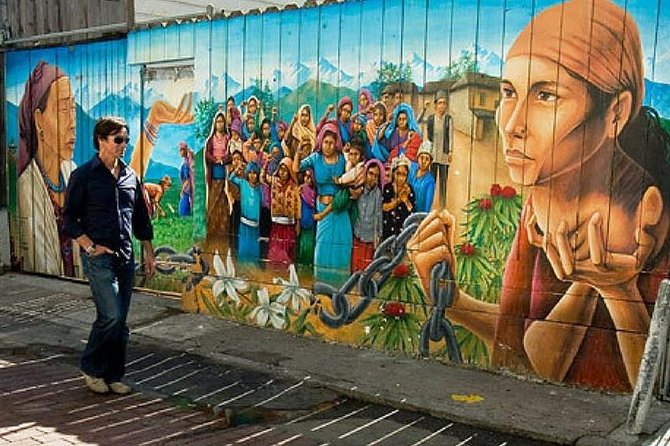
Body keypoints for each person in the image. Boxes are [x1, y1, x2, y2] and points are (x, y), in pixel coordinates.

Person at [408, 0, 670, 391]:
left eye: (546, 96)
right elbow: (521, 347)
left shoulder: (644, 217)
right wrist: (455, 301)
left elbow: (655, 397)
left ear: (616, 112)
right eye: (509, 92)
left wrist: (619, 294)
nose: (512, 125)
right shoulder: (542, 204)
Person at [63, 116, 156, 395]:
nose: (124, 144)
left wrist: (149, 252)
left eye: (125, 139)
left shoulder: (130, 176)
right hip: (98, 258)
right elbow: (69, 219)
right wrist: (90, 246)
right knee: (111, 315)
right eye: (118, 139)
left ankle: (113, 374)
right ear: (101, 140)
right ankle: (91, 367)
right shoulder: (83, 176)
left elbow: (140, 217)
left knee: (120, 321)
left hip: (125, 257)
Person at [17, 61, 80, 277]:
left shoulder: (71, 171)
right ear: (38, 120)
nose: (72, 123)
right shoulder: (28, 188)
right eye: (63, 109)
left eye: (73, 108)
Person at [294, 122, 351, 283]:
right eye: (326, 142)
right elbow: (296, 168)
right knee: (322, 245)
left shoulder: (342, 159)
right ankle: (321, 281)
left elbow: (350, 179)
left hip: (339, 209)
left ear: (336, 143)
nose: (328, 146)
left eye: (332, 143)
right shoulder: (316, 158)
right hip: (322, 209)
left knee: (341, 244)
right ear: (321, 141)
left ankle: (340, 282)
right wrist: (298, 153)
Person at [417, 90, 452, 207]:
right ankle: (429, 204)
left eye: (444, 103)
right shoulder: (431, 119)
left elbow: (450, 136)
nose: (442, 105)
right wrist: (424, 108)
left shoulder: (448, 119)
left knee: (443, 182)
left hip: (444, 156)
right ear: (436, 105)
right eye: (440, 103)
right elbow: (418, 121)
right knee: (431, 181)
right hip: (432, 156)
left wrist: (450, 151)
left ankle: (442, 205)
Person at [351, 160, 384, 272]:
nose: (373, 178)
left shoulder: (377, 193)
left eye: (376, 176)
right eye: (371, 173)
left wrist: (378, 235)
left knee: (366, 269)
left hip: (370, 237)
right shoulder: (358, 189)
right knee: (355, 267)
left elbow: (378, 215)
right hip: (357, 233)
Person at [267, 157, 301, 265]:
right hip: (276, 224)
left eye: (285, 170)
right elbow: (262, 178)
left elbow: (297, 206)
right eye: (281, 169)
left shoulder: (294, 187)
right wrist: (267, 162)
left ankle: (285, 270)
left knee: (287, 249)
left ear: (290, 171)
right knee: (275, 249)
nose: (282, 172)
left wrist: (298, 223)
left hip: (289, 225)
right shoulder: (274, 182)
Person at [229, 161, 263, 262]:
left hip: (255, 225)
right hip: (244, 223)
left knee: (254, 251)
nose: (252, 175)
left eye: (254, 173)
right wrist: (238, 169)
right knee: (244, 249)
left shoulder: (260, 188)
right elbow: (231, 178)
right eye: (250, 172)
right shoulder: (243, 183)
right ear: (247, 174)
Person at [204, 110, 230, 237]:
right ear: (215, 124)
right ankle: (212, 229)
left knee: (222, 200)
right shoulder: (211, 140)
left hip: (224, 171)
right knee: (213, 201)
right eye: (218, 122)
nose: (220, 124)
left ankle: (222, 229)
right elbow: (207, 154)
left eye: (222, 122)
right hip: (214, 172)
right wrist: (215, 160)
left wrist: (223, 160)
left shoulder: (228, 138)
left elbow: (231, 154)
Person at [382, 156, 415, 240]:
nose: (401, 178)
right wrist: (399, 200)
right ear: (393, 173)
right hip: (388, 228)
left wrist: (406, 200)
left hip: (403, 230)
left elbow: (411, 210)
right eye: (398, 174)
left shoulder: (409, 190)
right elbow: (384, 207)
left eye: (404, 175)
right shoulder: (387, 188)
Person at [409, 141, 436, 213]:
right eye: (421, 158)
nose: (423, 161)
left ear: (430, 162)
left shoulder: (430, 181)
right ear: (417, 158)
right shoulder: (412, 169)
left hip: (418, 215)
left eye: (427, 159)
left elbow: (427, 205)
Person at [297, 169, 317, 265]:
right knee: (301, 248)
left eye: (310, 177)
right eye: (306, 176)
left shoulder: (316, 192)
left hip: (312, 225)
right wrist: (298, 222)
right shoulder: (301, 190)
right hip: (301, 224)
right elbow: (297, 207)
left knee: (310, 248)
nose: (308, 179)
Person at [178, 141, 195, 216]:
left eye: (181, 150)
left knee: (183, 212)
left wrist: (183, 190)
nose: (180, 152)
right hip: (188, 189)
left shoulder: (187, 163)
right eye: (180, 150)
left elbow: (188, 179)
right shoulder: (186, 161)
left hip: (187, 189)